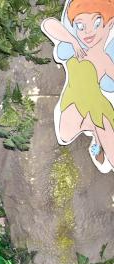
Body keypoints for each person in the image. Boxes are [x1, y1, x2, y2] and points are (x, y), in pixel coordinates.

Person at [42, 0, 114, 171]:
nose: (88, 32)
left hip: (98, 107)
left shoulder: (104, 59)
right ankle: (95, 136)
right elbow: (48, 24)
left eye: (96, 23)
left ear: (109, 24)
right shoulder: (73, 49)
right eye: (80, 25)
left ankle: (97, 139)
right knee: (65, 134)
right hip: (73, 104)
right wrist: (73, 40)